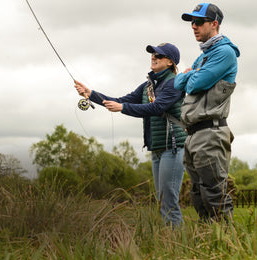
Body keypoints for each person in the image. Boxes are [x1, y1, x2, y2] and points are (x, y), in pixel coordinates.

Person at [74, 43, 187, 226]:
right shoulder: (148, 85)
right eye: (152, 53)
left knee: (169, 200)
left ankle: (178, 243)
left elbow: (157, 107)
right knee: (161, 199)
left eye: (159, 55)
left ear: (170, 62)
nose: (154, 56)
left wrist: (123, 108)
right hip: (157, 148)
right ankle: (169, 242)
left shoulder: (175, 82)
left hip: (173, 149)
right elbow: (121, 100)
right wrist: (91, 94)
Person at [174, 3, 240, 222]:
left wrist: (189, 75)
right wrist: (189, 75)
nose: (194, 26)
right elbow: (178, 83)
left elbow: (193, 84)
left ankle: (228, 247)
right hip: (193, 134)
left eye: (199, 21)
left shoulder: (224, 52)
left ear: (214, 24)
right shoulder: (203, 56)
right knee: (198, 195)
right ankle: (207, 245)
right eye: (192, 22)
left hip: (210, 133)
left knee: (214, 194)